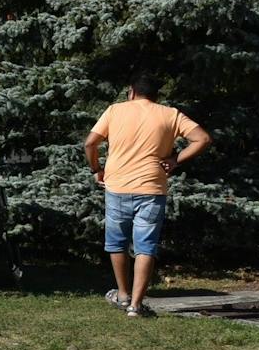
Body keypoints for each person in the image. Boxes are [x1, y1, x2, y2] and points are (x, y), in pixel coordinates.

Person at [84, 74, 211, 318]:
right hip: (152, 188)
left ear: (131, 92)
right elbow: (202, 138)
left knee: (117, 242)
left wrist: (96, 170)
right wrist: (175, 160)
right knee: (145, 245)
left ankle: (122, 295)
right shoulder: (170, 114)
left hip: (117, 185)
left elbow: (90, 143)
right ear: (156, 95)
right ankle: (136, 305)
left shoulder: (114, 111)